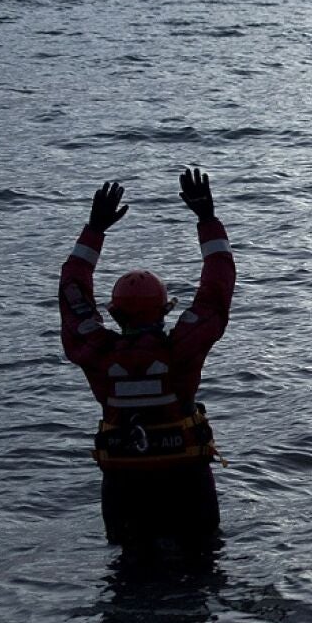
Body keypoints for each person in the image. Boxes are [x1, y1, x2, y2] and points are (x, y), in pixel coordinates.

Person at [60, 168, 235, 551]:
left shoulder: (96, 351)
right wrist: (207, 220)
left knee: (127, 577)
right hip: (186, 480)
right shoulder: (182, 349)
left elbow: (72, 288)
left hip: (125, 486)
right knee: (201, 574)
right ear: (164, 310)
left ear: (116, 315)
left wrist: (94, 229)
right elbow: (216, 290)